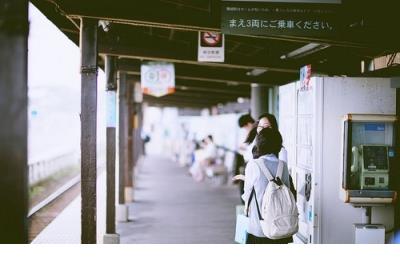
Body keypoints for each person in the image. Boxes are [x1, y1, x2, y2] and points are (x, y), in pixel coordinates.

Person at [242, 127, 294, 244]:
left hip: (259, 227)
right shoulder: (283, 165)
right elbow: (287, 191)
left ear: (259, 144)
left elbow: (247, 195)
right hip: (281, 226)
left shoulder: (253, 164)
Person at [233, 114, 255, 203]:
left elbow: (251, 150)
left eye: (245, 127)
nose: (245, 129)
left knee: (245, 187)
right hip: (248, 163)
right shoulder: (251, 133)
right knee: (244, 187)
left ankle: (246, 206)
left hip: (251, 163)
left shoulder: (254, 133)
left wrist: (243, 149)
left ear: (249, 124)